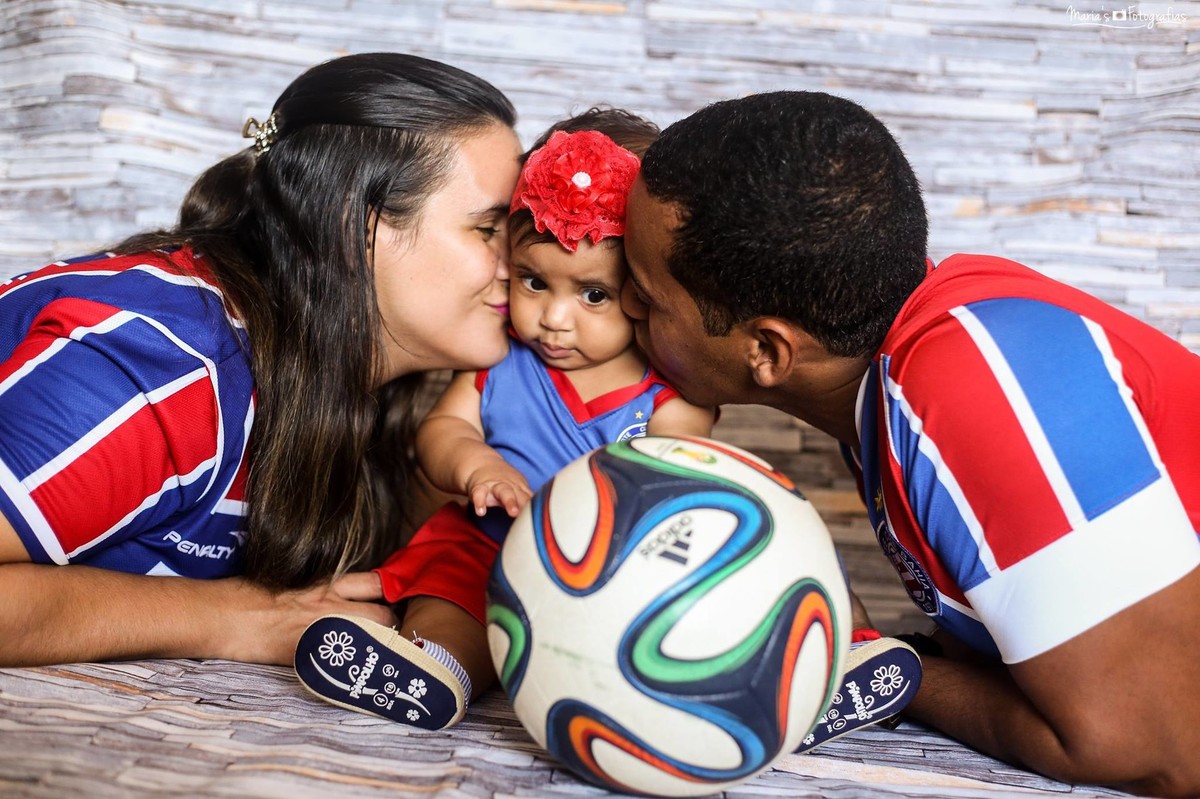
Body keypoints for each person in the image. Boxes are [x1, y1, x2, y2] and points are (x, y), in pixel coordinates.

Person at [617, 90, 1200, 797]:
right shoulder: (893, 381)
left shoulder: (975, 383)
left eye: (646, 293)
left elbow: (1160, 747)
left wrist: (898, 672)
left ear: (767, 350)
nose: (624, 304)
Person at [0, 52, 523, 668]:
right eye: (487, 229)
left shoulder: (369, 392)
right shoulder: (165, 365)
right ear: (354, 227)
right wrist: (230, 619)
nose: (521, 265)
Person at [292, 110, 717, 731]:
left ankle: (834, 656)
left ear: (647, 290)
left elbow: (677, 493)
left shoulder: (669, 399)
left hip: (603, 570)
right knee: (451, 596)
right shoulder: (501, 361)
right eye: (534, 281)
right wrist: (477, 465)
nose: (554, 319)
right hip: (486, 541)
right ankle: (431, 669)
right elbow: (441, 431)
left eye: (593, 294)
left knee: (701, 601)